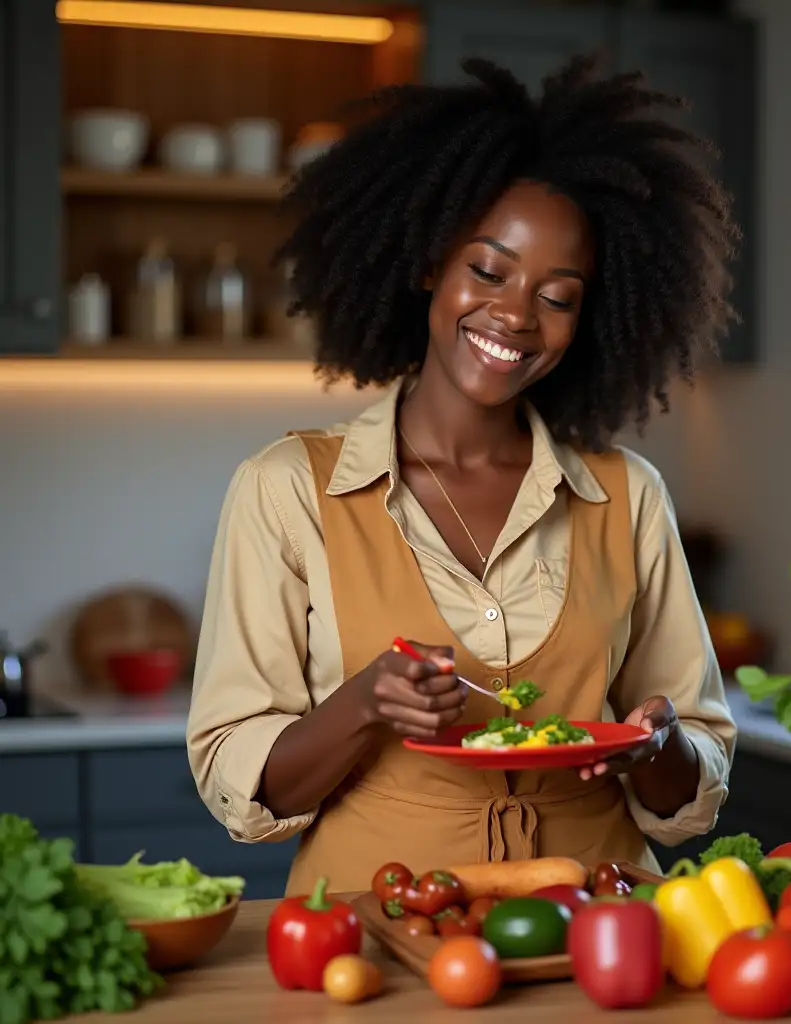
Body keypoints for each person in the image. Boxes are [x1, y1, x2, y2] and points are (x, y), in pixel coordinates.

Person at [186, 56, 738, 897]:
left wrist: (657, 745)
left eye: (558, 295)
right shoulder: (288, 489)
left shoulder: (628, 495)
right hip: (375, 930)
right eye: (487, 271)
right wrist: (364, 704)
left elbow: (691, 784)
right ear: (427, 266)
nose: (515, 314)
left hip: (600, 935)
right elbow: (241, 786)